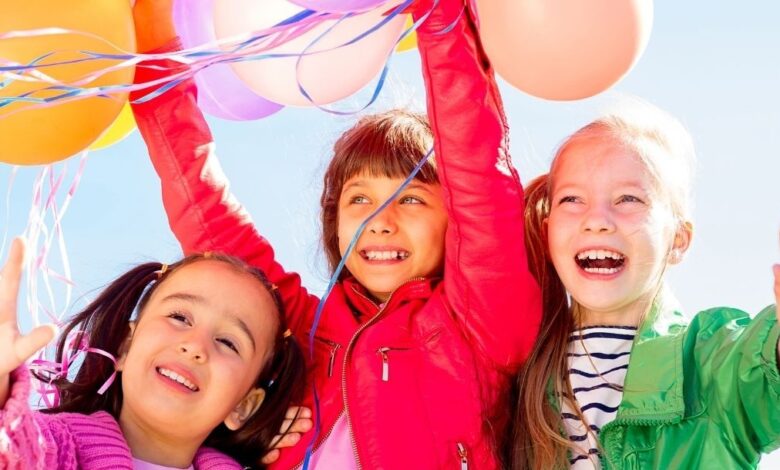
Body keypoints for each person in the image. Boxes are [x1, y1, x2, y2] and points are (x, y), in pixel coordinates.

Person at [129, 0, 542, 467]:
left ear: (454, 222)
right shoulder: (300, 327)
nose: (380, 220)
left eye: (410, 199)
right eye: (359, 199)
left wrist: (441, 16)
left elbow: (477, 171)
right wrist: (156, 59)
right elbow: (205, 210)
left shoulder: (480, 320)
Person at [508, 99, 780, 469]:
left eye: (628, 199)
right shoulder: (523, 372)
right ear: (547, 233)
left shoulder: (709, 363)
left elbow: (762, 372)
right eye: (572, 199)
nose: (597, 220)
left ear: (678, 240)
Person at [0, 238, 305, 469]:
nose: (195, 346)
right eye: (179, 317)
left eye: (228, 342)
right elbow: (15, 448)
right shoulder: (57, 447)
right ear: (125, 346)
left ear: (243, 406)